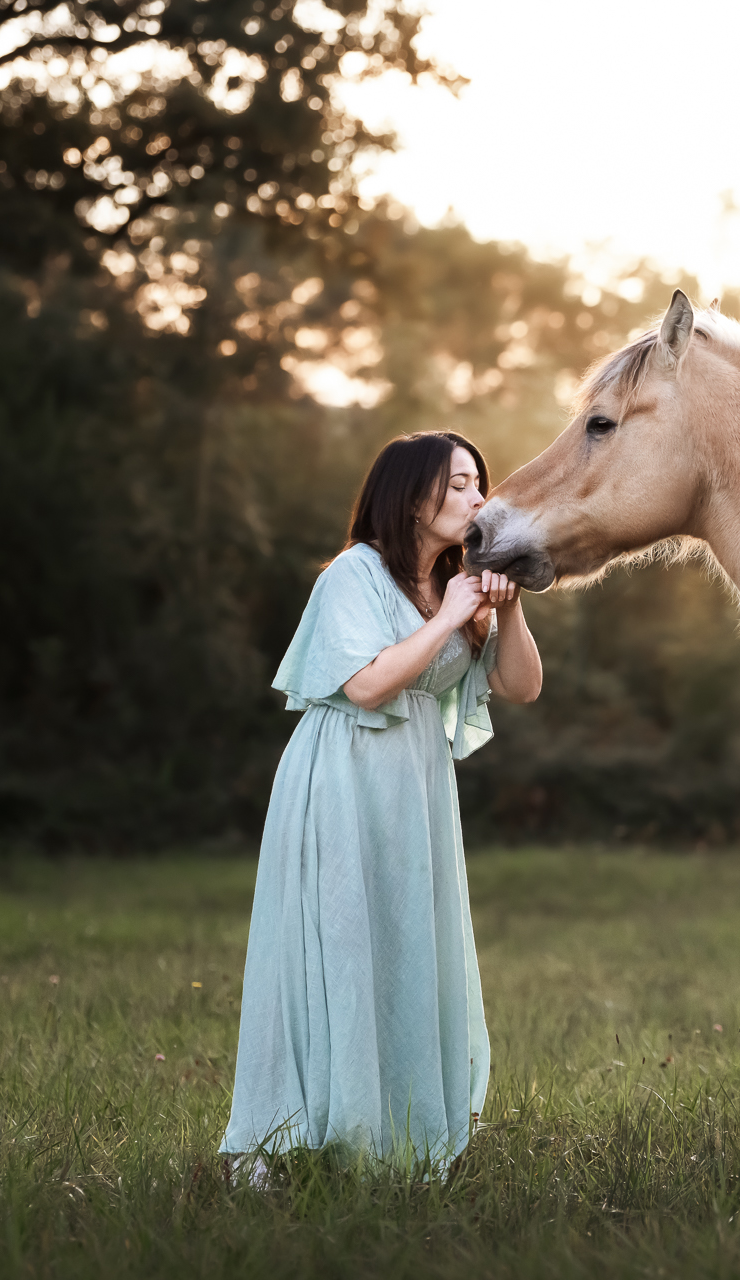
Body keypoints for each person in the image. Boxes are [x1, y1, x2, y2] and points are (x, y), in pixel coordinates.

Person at [220, 430, 542, 1176]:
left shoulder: (463, 581)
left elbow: (522, 686)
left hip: (417, 789)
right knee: (339, 941)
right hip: (344, 775)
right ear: (411, 494)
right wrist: (445, 620)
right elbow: (365, 685)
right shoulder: (352, 576)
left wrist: (505, 613)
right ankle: (302, 1133)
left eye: (477, 483)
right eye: (459, 484)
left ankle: (393, 1136)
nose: (476, 498)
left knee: (406, 944)